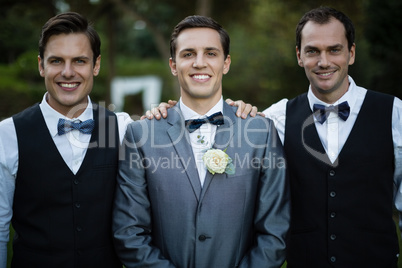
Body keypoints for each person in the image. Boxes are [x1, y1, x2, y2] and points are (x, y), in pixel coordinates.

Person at [148, 7, 402, 267]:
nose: (323, 61)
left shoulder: (393, 113)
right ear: (299, 56)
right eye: (312, 51)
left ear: (352, 53)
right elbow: (224, 127)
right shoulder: (276, 118)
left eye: (334, 50)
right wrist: (171, 113)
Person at [112, 15, 290, 268]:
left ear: (225, 63)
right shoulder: (140, 135)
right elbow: (129, 232)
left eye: (210, 53)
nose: (199, 63)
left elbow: (275, 231)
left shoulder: (261, 132)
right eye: (188, 54)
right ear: (173, 65)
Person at [0, 12, 130, 267]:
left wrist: (229, 111)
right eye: (57, 61)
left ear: (96, 65)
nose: (68, 72)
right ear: (41, 65)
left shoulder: (123, 127)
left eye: (79, 61)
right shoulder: (8, 134)